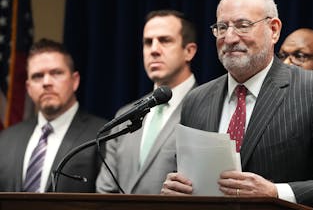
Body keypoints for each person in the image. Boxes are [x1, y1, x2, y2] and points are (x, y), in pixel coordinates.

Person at [160, 0, 313, 210]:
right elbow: (189, 181)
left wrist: (276, 193)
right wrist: (176, 191)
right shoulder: (197, 100)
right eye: (222, 27)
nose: (230, 37)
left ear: (273, 30)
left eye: (243, 26)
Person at [96, 10, 198, 194]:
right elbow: (105, 190)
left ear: (189, 51)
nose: (154, 50)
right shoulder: (124, 116)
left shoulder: (207, 107)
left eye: (165, 40)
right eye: (148, 42)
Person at [0, 38, 107, 192]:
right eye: (37, 76)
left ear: (75, 81)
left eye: (56, 73)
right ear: (28, 88)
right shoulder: (6, 140)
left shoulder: (103, 136)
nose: (46, 82)